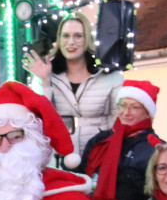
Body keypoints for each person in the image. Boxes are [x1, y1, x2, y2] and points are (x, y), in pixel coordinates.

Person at [23, 12, 124, 156]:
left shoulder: (110, 76)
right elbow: (37, 121)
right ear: (58, 39)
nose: (71, 42)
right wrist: (44, 83)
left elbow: (119, 122)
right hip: (58, 158)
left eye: (78, 36)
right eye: (65, 36)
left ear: (87, 39)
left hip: (99, 157)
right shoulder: (44, 74)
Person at [79, 79, 160, 200]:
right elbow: (81, 175)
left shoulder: (153, 147)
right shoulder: (100, 140)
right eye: (123, 105)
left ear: (147, 112)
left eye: (135, 107)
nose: (126, 111)